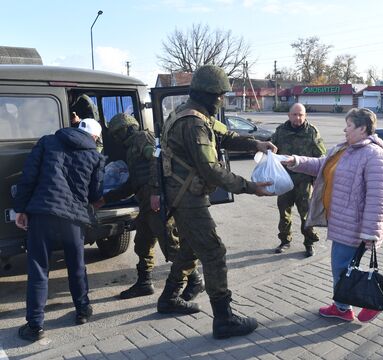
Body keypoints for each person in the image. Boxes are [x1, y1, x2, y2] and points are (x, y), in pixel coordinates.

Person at [159, 64, 277, 339]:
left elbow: (225, 135)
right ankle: (224, 319)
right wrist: (249, 187)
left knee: (191, 247)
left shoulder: (193, 113)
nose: (222, 99)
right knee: (213, 252)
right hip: (188, 198)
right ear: (207, 94)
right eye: (220, 95)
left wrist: (255, 144)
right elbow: (210, 168)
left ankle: (168, 298)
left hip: (182, 194)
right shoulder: (193, 122)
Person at [282, 108, 383, 323]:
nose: (344, 129)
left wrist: (370, 232)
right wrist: (295, 161)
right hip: (342, 222)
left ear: (362, 129)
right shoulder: (345, 149)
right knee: (345, 268)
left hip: (354, 226)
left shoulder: (375, 157)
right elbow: (321, 166)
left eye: (349, 126)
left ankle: (355, 305)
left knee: (342, 268)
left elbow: (378, 199)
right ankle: (345, 306)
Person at [96, 113, 204, 315]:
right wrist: (106, 199)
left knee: (172, 247)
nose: (117, 138)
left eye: (118, 133)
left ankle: (195, 280)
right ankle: (144, 282)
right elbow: (134, 182)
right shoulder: (131, 148)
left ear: (126, 129)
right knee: (143, 244)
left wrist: (156, 192)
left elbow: (159, 160)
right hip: (146, 205)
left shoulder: (142, 139)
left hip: (157, 203)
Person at [14, 118, 105, 342]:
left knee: (38, 269)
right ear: (94, 137)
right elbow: (95, 194)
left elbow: (28, 177)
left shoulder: (47, 142)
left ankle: (34, 325)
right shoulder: (95, 156)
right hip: (73, 219)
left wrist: (20, 209)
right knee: (76, 265)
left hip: (42, 214)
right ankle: (82, 311)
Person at [271, 102, 326, 257]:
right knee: (284, 213)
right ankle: (285, 241)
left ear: (305, 115)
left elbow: (321, 157)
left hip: (304, 181)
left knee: (306, 214)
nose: (298, 117)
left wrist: (317, 179)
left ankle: (309, 243)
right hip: (284, 179)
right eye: (295, 114)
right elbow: (272, 150)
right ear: (289, 115)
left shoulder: (312, 132)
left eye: (301, 114)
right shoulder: (280, 131)